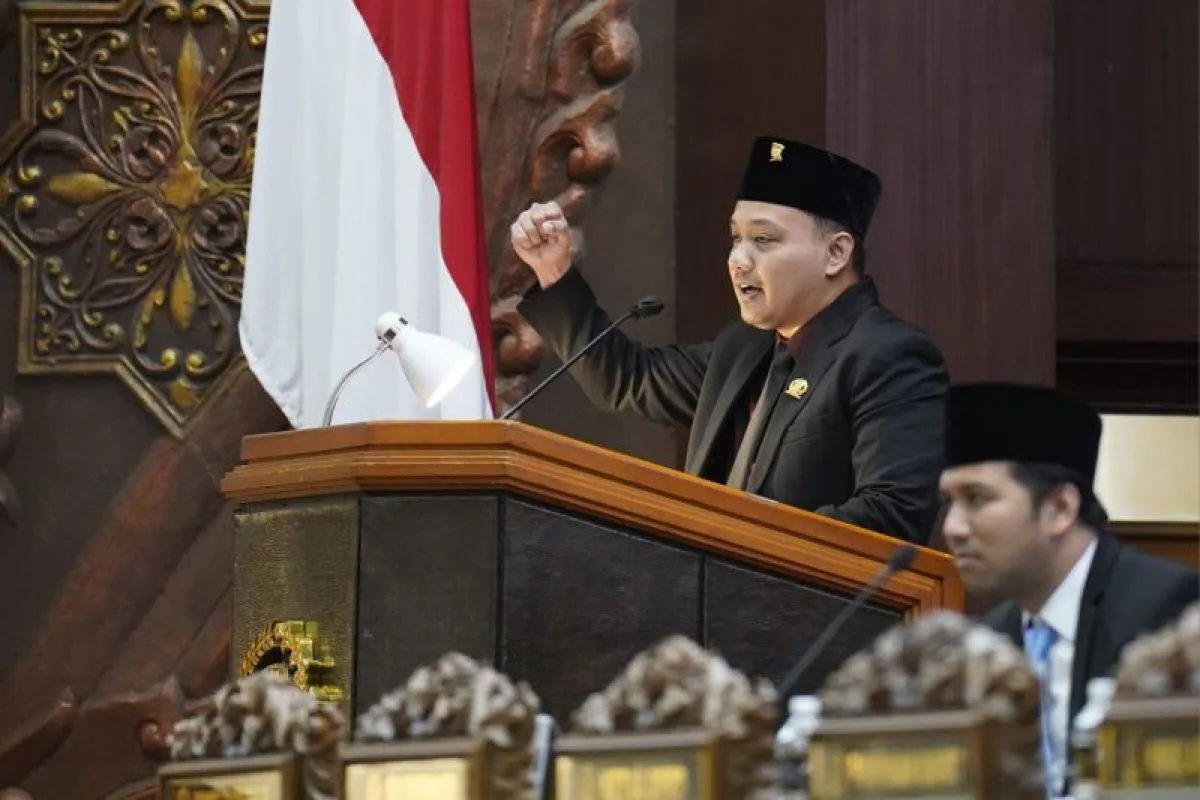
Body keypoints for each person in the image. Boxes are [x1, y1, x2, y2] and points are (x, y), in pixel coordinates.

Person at [510, 136, 949, 543]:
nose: (738, 259)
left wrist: (743, 542)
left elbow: (891, 516)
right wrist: (553, 269)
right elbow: (627, 380)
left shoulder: (886, 355)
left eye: (763, 240)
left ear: (836, 253)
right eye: (736, 238)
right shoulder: (745, 347)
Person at [938, 382, 1199, 797]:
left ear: (1060, 508)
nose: (953, 528)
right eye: (948, 503)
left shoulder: (1164, 610)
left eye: (976, 498)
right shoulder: (990, 639)